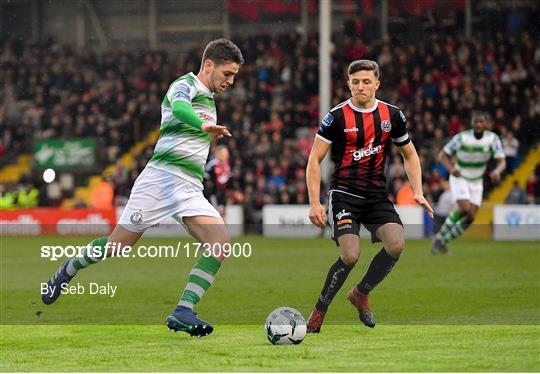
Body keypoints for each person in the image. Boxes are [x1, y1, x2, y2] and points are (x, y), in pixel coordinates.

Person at [41, 39, 244, 337]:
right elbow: (179, 107)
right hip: (159, 181)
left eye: (234, 76)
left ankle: (183, 310)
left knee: (220, 243)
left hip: (188, 187)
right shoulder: (183, 85)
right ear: (209, 65)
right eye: (227, 73)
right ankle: (68, 268)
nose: (231, 81)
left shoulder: (211, 100)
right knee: (118, 245)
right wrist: (202, 127)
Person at [305, 59, 433, 332]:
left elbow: (409, 153)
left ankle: (360, 292)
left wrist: (418, 190)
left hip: (376, 195)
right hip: (344, 194)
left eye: (366, 82)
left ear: (377, 83)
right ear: (348, 84)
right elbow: (314, 160)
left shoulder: (392, 115)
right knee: (351, 255)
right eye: (355, 82)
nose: (360, 87)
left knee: (396, 244)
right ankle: (319, 310)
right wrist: (314, 202)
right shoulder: (337, 116)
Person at [431, 112, 505, 254]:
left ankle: (442, 242)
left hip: (477, 181)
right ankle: (439, 238)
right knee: (464, 208)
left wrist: (497, 171)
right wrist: (451, 169)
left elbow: (502, 161)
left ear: (486, 124)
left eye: (481, 122)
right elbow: (442, 155)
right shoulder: (462, 138)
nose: (478, 125)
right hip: (460, 177)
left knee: (471, 217)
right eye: (475, 122)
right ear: (472, 123)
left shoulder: (493, 139)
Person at [205, 145, 232, 217]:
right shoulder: (212, 165)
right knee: (217, 215)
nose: (226, 156)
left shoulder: (227, 165)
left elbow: (228, 181)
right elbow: (206, 180)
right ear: (217, 154)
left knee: (223, 215)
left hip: (223, 195)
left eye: (226, 154)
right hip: (214, 195)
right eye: (223, 154)